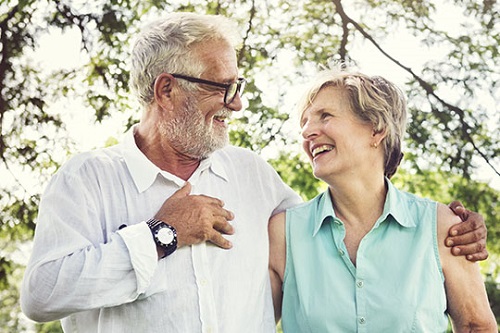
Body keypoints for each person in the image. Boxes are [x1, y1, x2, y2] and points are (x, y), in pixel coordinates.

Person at [20, 12, 488, 333]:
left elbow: (339, 219)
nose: (237, 103)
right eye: (223, 87)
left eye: (237, 86)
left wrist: (456, 229)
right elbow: (41, 295)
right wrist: (161, 234)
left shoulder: (251, 175)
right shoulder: (88, 179)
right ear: (166, 90)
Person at [268, 69, 497, 332]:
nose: (307, 131)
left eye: (325, 116)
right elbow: (248, 321)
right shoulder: (283, 234)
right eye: (304, 123)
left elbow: (476, 326)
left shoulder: (442, 227)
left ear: (376, 130)